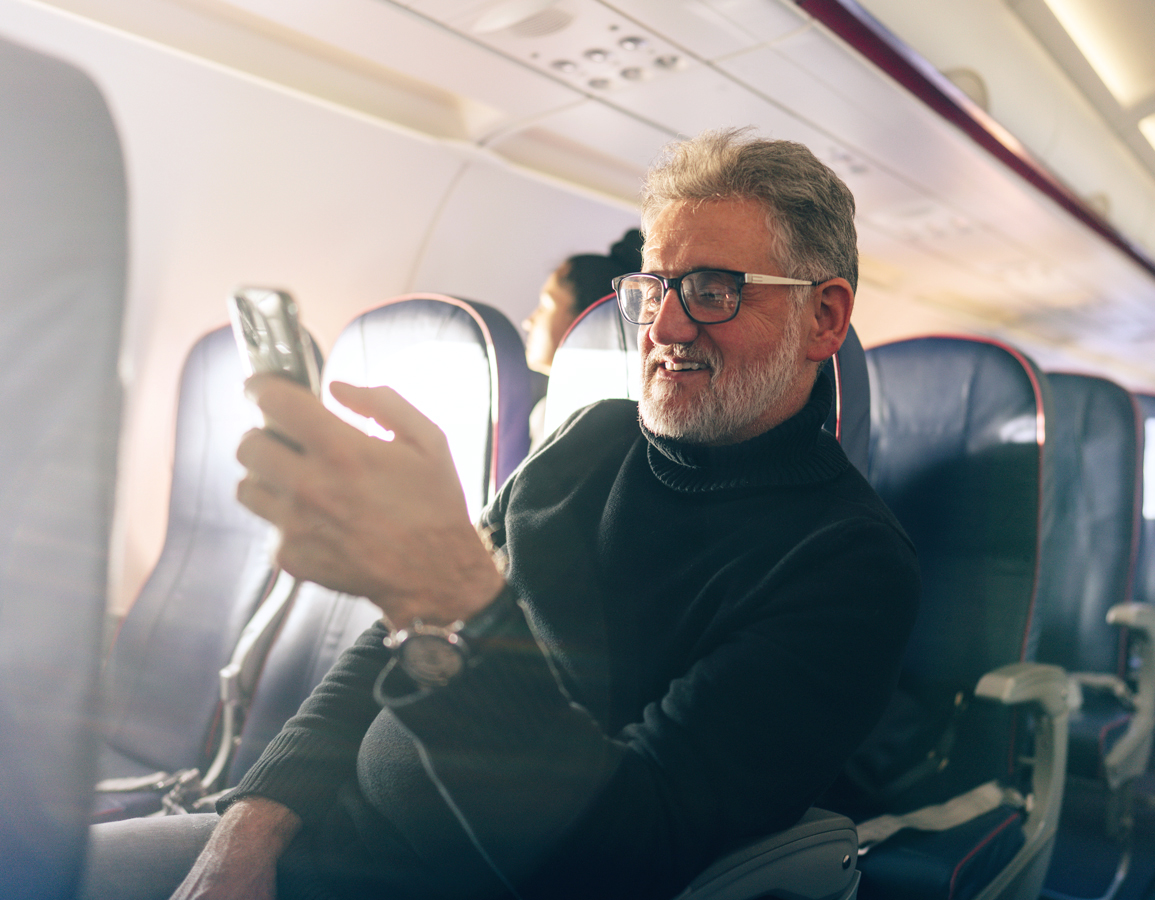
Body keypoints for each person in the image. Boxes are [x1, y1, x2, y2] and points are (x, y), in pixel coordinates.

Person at [82, 127, 920, 900]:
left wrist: (447, 594)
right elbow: (393, 640)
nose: (663, 325)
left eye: (711, 290)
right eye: (652, 287)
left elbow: (622, 852)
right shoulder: (591, 438)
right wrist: (247, 829)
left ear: (824, 317)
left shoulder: (848, 565)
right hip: (317, 848)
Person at [522, 229, 643, 445]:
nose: (528, 321)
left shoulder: (621, 422)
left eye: (545, 305)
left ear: (587, 317)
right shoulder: (544, 411)